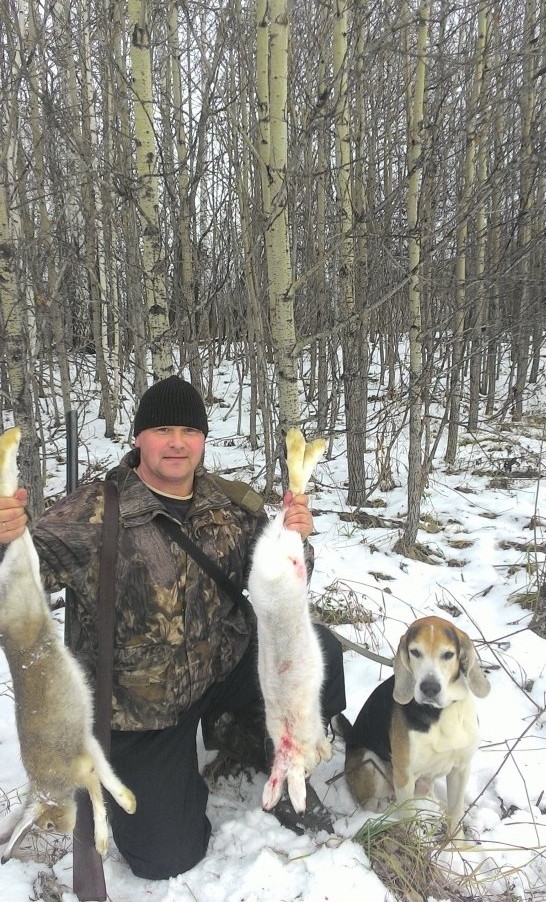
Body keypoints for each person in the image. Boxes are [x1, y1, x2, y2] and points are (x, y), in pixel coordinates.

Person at [0, 376, 345, 880]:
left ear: (203, 438)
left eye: (189, 431)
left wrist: (295, 542)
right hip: (142, 710)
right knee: (164, 858)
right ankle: (174, 774)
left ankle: (267, 746)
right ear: (139, 437)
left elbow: (280, 582)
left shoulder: (228, 504)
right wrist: (6, 542)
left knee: (323, 652)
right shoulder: (93, 511)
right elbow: (20, 581)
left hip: (221, 667)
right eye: (163, 429)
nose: (177, 443)